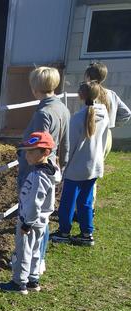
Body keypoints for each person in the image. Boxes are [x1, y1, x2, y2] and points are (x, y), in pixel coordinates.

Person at [13, 67, 70, 275]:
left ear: (34, 87)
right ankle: (38, 262)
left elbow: (38, 145)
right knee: (43, 217)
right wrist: (61, 167)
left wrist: (25, 164)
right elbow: (65, 143)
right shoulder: (62, 108)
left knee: (30, 216)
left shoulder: (44, 113)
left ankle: (24, 268)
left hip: (35, 171)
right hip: (51, 167)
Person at [51, 81, 110, 246]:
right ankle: (86, 233)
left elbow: (69, 146)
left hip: (77, 168)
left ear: (80, 96)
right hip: (95, 166)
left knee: (68, 201)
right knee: (86, 201)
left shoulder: (76, 119)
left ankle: (63, 232)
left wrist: (63, 165)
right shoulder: (104, 114)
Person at [1, 132, 60, 294]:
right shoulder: (50, 170)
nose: (27, 155)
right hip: (41, 220)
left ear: (45, 153)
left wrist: (27, 223)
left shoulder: (39, 176)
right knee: (35, 250)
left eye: (32, 152)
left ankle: (18, 283)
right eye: (26, 151)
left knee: (24, 251)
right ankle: (33, 280)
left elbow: (35, 202)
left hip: (30, 220)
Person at [84, 62, 130, 158]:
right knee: (98, 168)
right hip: (107, 136)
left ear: (88, 76)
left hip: (92, 135)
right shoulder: (111, 94)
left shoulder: (88, 94)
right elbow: (127, 113)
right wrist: (111, 123)